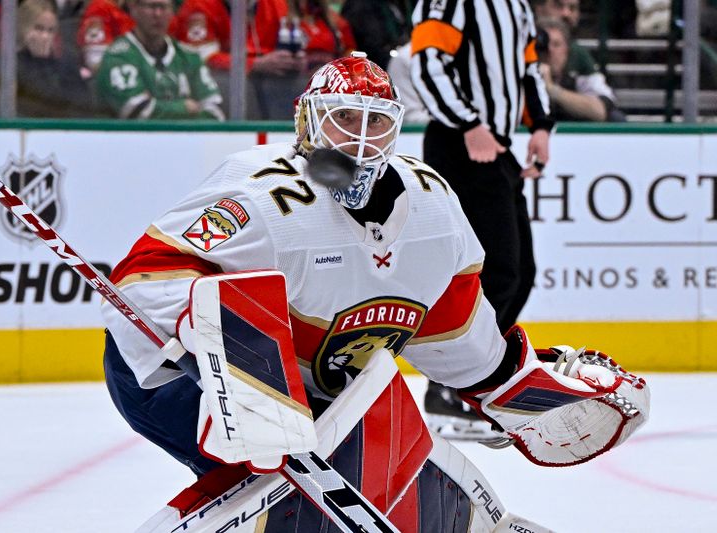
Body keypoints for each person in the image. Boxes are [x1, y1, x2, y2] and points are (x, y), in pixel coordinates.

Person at [101, 52, 648, 529]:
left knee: (410, 480)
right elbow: (144, 280)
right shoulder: (261, 194)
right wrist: (250, 378)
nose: (358, 138)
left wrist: (518, 387)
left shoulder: (432, 208)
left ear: (395, 128)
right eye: (342, 118)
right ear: (308, 122)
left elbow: (454, 332)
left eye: (375, 123)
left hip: (320, 395)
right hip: (169, 376)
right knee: (293, 500)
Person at [411, 0, 554, 440]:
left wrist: (542, 125)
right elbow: (427, 64)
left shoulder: (516, 6)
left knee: (519, 273)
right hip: (463, 144)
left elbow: (528, 69)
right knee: (494, 274)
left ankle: (478, 380)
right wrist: (469, 124)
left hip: (498, 146)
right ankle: (450, 386)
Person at [171, 0, 306, 119]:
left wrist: (294, 60)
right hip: (225, 86)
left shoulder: (275, 3)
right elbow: (199, 59)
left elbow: (289, 41)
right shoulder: (198, 5)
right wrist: (254, 64)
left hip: (270, 85)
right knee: (226, 84)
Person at [95, 0, 224, 120]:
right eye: (151, 7)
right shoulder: (118, 56)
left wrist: (157, 106)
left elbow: (215, 112)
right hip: (131, 142)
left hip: (186, 143)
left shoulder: (189, 57)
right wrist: (185, 107)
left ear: (173, 11)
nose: (157, 14)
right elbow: (136, 110)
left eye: (163, 7)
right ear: (134, 8)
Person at [15, 0, 95, 117]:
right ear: (24, 28)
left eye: (50, 30)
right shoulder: (7, 66)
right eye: (39, 28)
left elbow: (83, 111)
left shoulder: (67, 69)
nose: (45, 36)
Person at [537, 17, 624, 122]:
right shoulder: (521, 68)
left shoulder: (577, 65)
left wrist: (552, 90)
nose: (550, 50)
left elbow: (600, 111)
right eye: (543, 45)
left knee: (616, 117)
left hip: (574, 131)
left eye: (556, 45)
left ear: (567, 50)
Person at [340, 0, 412, 70]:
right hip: (379, 65)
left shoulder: (389, 3)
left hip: (396, 55)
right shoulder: (359, 5)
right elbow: (372, 45)